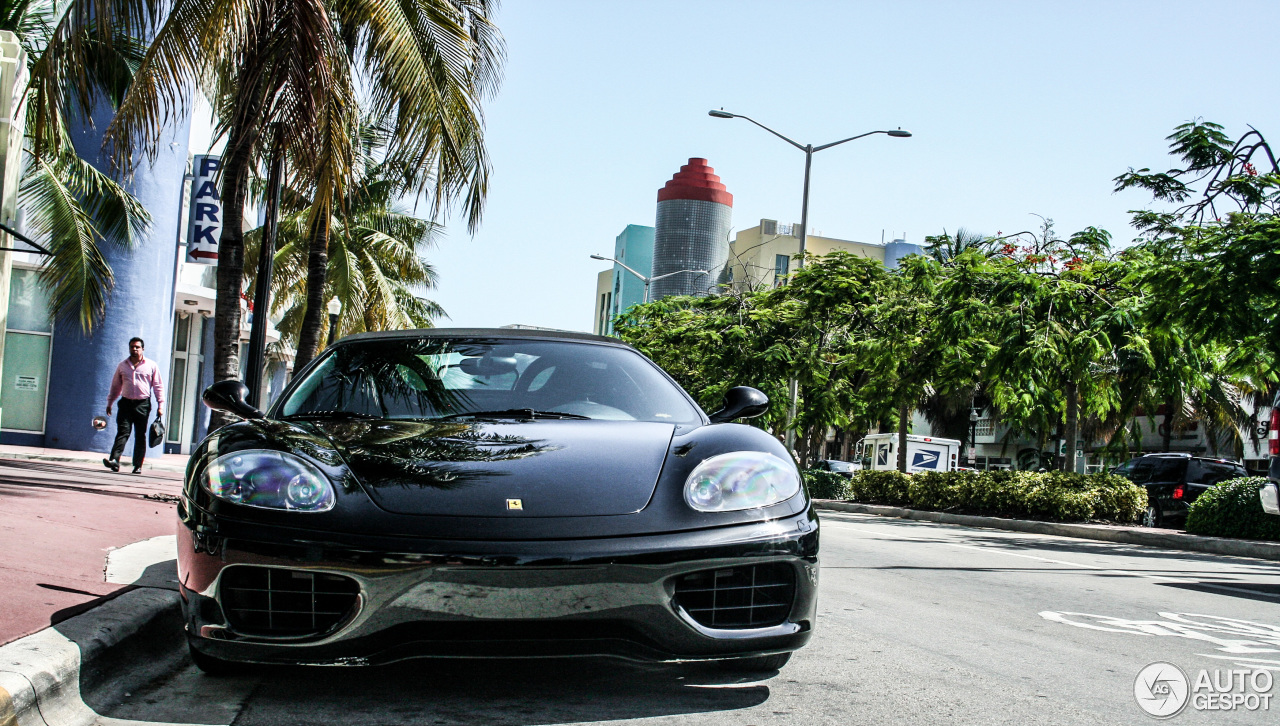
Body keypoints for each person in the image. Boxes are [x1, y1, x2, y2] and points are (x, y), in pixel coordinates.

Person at [104, 337, 164, 474]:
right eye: (132, 347)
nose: (134, 349)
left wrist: (160, 405)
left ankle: (138, 465)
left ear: (143, 349)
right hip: (125, 403)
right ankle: (114, 460)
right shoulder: (122, 365)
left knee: (140, 434)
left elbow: (158, 386)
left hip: (142, 404)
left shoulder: (151, 365)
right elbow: (115, 386)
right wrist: (110, 402)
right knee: (122, 432)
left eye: (137, 347)